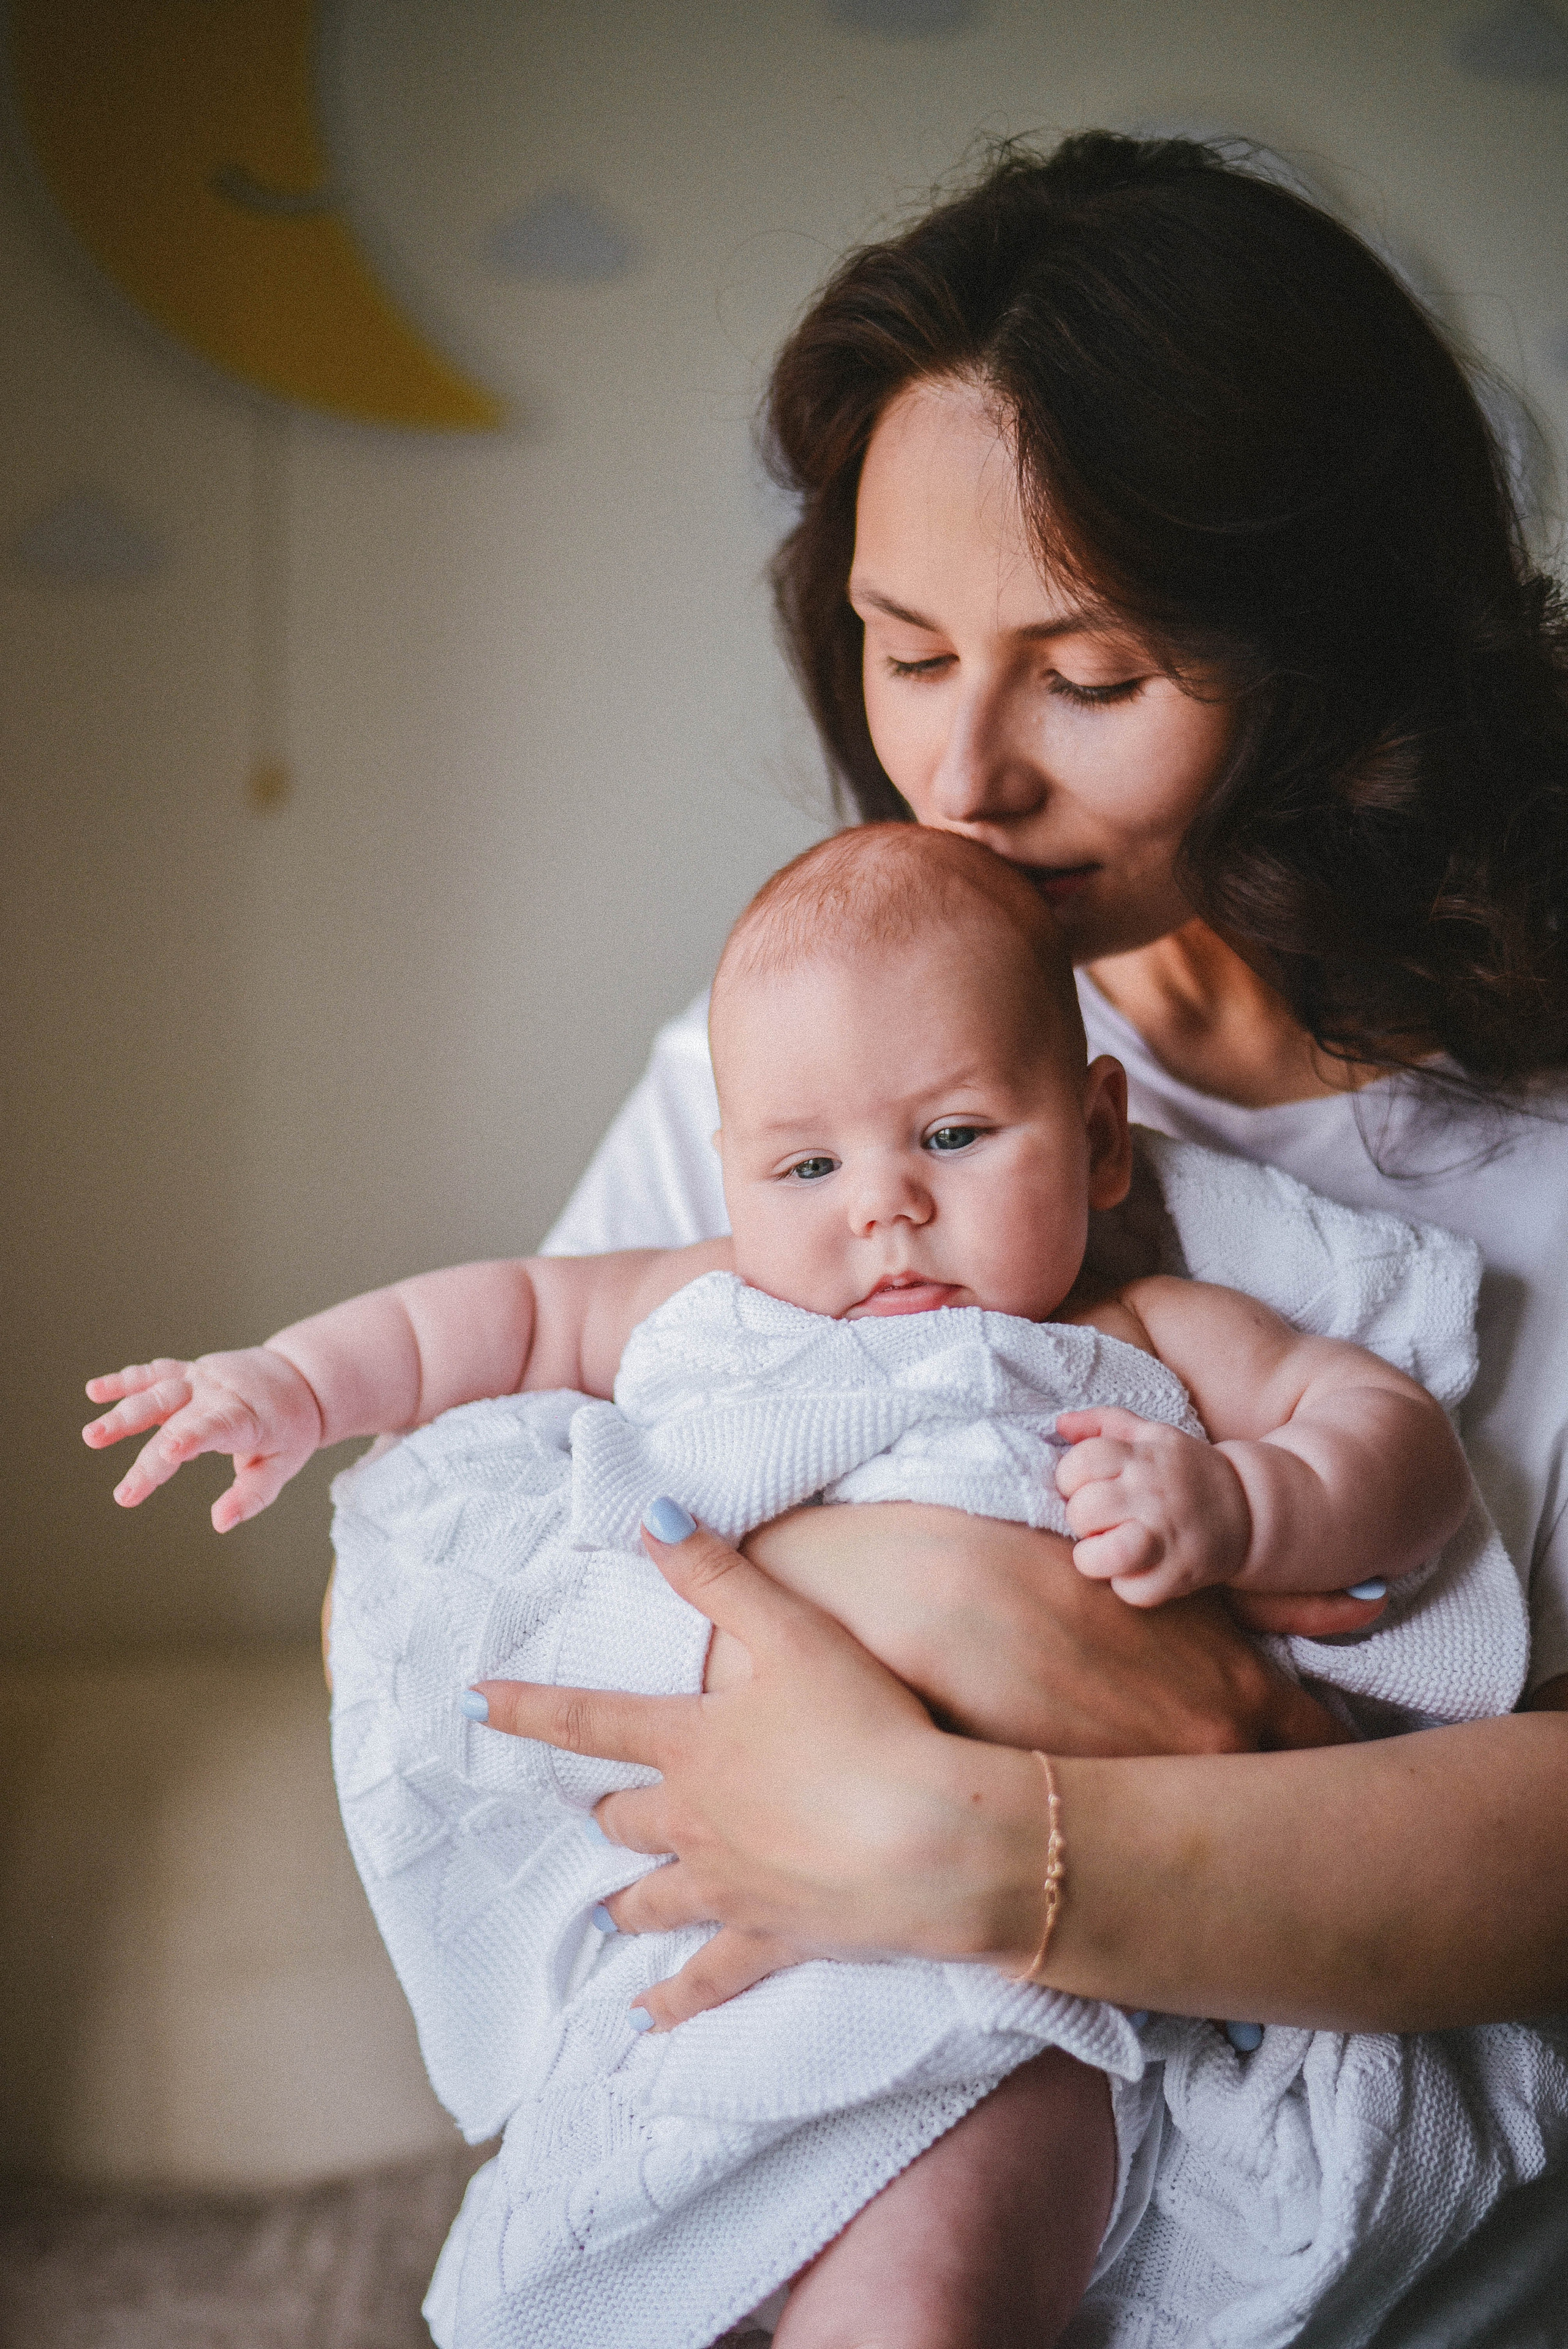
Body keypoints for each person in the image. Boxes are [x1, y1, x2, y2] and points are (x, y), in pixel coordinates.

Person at [468, 133, 1568, 2347]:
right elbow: (470, 1568)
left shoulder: (1523, 1162)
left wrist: (1007, 1828)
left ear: (1335, 662)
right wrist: (928, 1585)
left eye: (1092, 676)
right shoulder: (767, 1085)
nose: (958, 775)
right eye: (902, 649)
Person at [85, 825, 1501, 2349]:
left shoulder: (1144, 1328)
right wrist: (290, 1383)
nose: (880, 1207)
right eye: (807, 1165)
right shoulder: (709, 1302)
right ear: (737, 1174)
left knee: (917, 2305)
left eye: (953, 1137)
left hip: (1001, 1991)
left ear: (1096, 1136)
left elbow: (1390, 1442)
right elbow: (487, 1322)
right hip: (719, 1963)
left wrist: (1236, 1504)